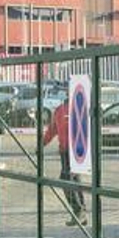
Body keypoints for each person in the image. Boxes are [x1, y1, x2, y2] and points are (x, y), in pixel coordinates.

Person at [41, 90, 86, 225]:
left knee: (67, 180)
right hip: (65, 151)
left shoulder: (78, 109)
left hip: (75, 151)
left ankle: (79, 211)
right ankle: (81, 211)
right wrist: (42, 143)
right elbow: (53, 129)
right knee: (74, 180)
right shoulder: (60, 110)